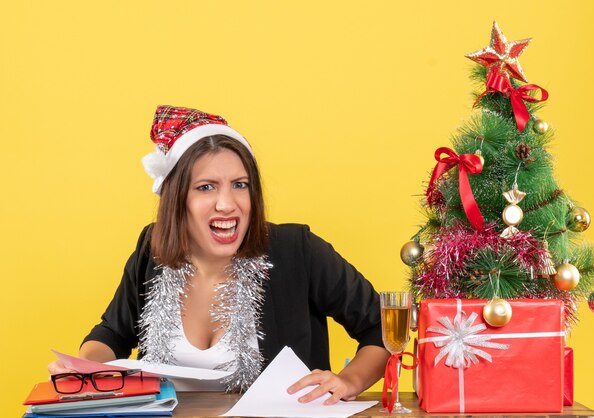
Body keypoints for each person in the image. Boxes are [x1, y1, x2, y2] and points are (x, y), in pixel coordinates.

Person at [48, 105, 389, 404]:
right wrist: (82, 371)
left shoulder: (296, 249)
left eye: (240, 185)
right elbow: (114, 333)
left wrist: (350, 381)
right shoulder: (151, 250)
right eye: (205, 187)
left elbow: (382, 326)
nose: (227, 204)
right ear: (176, 199)